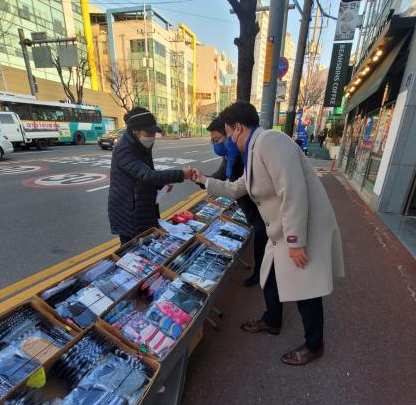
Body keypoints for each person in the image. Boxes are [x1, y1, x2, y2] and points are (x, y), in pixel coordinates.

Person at [193, 101, 344, 366]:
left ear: (238, 128)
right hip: (282, 228)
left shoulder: (271, 141)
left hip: (301, 227)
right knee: (271, 274)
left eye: (227, 134)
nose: (228, 140)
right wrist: (205, 181)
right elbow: (238, 187)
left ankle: (314, 345)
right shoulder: (255, 148)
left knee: (306, 288)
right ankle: (272, 320)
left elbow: (293, 191)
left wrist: (296, 242)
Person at [108, 106, 194, 245]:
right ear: (135, 130)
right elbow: (147, 175)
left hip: (142, 206)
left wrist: (161, 185)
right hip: (128, 211)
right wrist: (182, 174)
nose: (152, 136)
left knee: (148, 245)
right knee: (131, 249)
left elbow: (143, 174)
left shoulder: (140, 144)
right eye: (149, 132)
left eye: (154, 132)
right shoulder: (123, 149)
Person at [206, 116, 268, 287]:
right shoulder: (230, 156)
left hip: (259, 208)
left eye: (216, 140)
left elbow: (235, 188)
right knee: (260, 239)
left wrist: (206, 181)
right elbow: (220, 176)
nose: (215, 145)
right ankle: (261, 272)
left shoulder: (245, 154)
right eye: (212, 142)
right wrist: (201, 179)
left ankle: (261, 274)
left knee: (262, 241)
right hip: (249, 207)